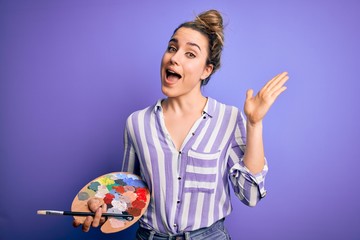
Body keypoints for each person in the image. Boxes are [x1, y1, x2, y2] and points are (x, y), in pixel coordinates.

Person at [73, 9, 289, 239]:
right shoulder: (137, 123)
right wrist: (98, 206)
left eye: (190, 54)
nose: (174, 58)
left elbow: (251, 196)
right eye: (172, 48)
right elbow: (129, 195)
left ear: (207, 70)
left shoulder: (228, 118)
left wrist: (254, 124)